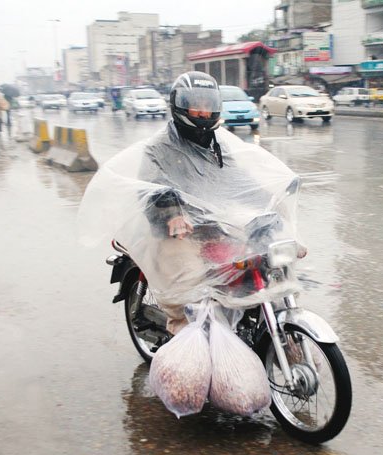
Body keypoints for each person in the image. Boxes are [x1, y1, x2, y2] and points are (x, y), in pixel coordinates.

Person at [78, 72, 303, 334]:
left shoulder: (217, 146)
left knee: (268, 264)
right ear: (180, 105)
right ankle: (188, 346)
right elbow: (151, 187)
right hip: (179, 232)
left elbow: (240, 180)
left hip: (216, 225)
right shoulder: (159, 148)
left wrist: (271, 197)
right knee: (190, 289)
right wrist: (172, 215)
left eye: (208, 105)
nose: (203, 111)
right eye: (196, 105)